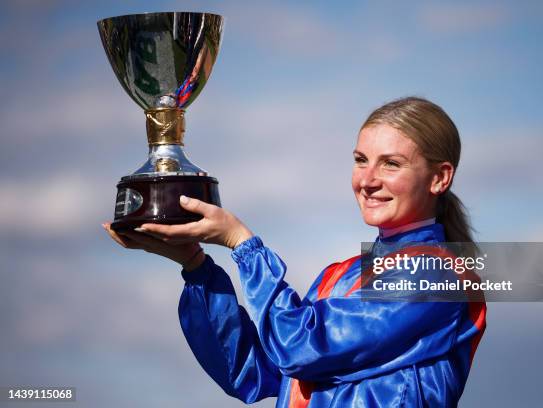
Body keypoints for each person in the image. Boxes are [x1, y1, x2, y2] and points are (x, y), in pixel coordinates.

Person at [103, 96, 487, 407]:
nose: (368, 180)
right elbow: (251, 373)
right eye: (360, 160)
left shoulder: (443, 274)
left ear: (439, 177)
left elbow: (302, 348)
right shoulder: (341, 274)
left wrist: (243, 245)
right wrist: (196, 266)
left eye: (391, 164)